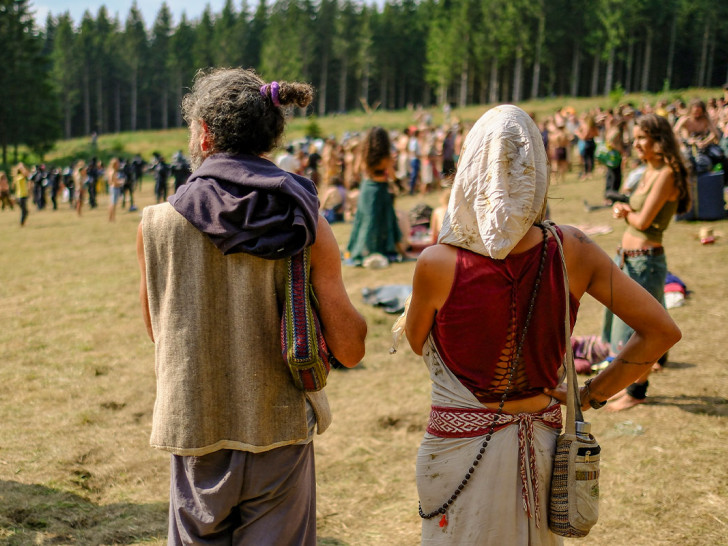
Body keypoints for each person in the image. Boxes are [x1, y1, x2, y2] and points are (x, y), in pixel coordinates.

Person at [399, 105, 681, 543]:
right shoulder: (575, 248)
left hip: (459, 452)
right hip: (543, 443)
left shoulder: (436, 263)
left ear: (471, 167)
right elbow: (661, 330)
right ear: (537, 170)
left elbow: (418, 343)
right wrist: (591, 396)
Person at [136, 68, 366, 546]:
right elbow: (350, 347)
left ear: (203, 133)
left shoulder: (156, 225)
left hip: (196, 426)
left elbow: (160, 332)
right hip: (279, 428)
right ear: (271, 135)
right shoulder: (305, 220)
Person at [605, 113, 690, 411]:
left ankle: (636, 391)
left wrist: (625, 211)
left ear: (659, 140)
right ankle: (632, 383)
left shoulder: (667, 173)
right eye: (636, 137)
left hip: (646, 262)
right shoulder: (648, 170)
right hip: (631, 259)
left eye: (643, 138)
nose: (636, 143)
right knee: (642, 325)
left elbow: (643, 220)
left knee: (638, 331)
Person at [346, 126, 409, 264]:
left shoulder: (364, 154)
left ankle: (361, 250)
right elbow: (392, 174)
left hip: (366, 188)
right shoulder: (386, 156)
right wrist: (399, 184)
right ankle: (397, 250)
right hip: (381, 189)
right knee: (387, 220)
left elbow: (356, 170)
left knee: (366, 221)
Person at [106, 158, 123, 222]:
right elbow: (112, 182)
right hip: (114, 188)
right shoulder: (113, 171)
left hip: (113, 188)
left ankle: (111, 218)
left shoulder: (111, 171)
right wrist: (120, 182)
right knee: (113, 204)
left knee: (112, 203)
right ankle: (112, 218)